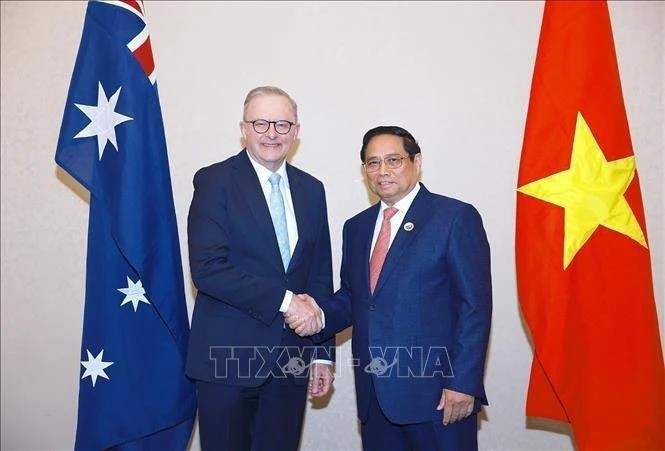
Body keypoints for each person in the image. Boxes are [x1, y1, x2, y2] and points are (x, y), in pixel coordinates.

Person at [287, 125, 492, 451]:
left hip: (439, 397)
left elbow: (475, 307)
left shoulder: (454, 217)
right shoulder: (356, 228)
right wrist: (319, 316)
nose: (382, 171)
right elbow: (355, 298)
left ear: (416, 161)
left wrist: (463, 383)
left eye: (393, 160)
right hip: (375, 397)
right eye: (372, 163)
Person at [186, 86, 335, 450]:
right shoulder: (214, 181)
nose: (272, 133)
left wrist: (322, 353)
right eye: (261, 123)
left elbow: (319, 274)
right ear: (244, 128)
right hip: (226, 359)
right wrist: (286, 302)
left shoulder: (312, 190)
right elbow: (208, 268)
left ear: (297, 130)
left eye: (282, 124)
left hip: (291, 360)